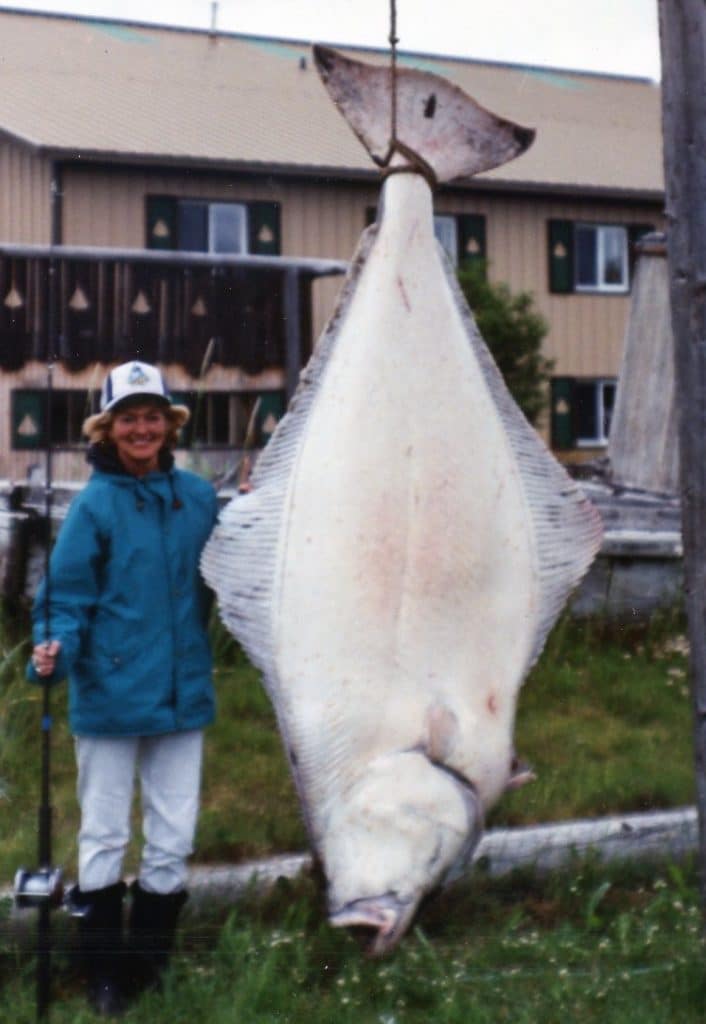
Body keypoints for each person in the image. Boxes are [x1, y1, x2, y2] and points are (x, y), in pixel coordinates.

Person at [28, 360, 219, 1015]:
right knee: (105, 834)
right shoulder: (95, 505)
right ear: (107, 430)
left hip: (183, 696)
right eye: (128, 419)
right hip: (109, 698)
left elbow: (235, 563)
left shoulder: (197, 496)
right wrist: (53, 648)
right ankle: (104, 973)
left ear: (170, 425)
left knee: (174, 835)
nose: (142, 429)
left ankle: (150, 966)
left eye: (153, 417)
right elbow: (65, 598)